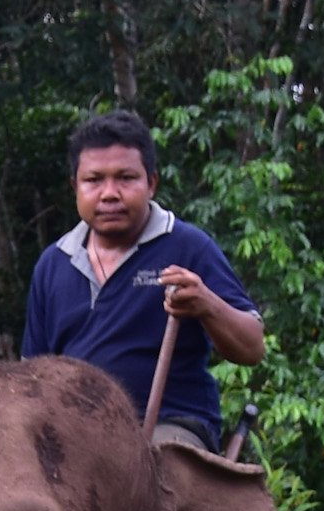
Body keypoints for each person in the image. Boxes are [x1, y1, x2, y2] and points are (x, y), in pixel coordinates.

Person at [20, 109, 265, 445]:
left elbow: (252, 349)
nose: (109, 193)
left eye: (125, 178)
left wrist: (207, 304)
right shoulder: (53, 263)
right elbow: (30, 377)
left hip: (169, 428)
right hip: (74, 437)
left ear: (151, 183)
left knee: (143, 469)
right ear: (75, 186)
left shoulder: (188, 246)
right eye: (94, 180)